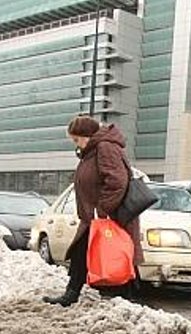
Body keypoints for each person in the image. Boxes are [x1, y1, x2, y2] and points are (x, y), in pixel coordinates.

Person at [44, 116, 138, 306]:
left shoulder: (105, 148)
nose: (75, 144)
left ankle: (127, 298)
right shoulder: (92, 151)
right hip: (96, 216)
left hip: (108, 215)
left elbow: (117, 181)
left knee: (115, 253)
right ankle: (72, 293)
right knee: (82, 253)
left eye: (77, 140)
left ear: (87, 136)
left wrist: (102, 208)